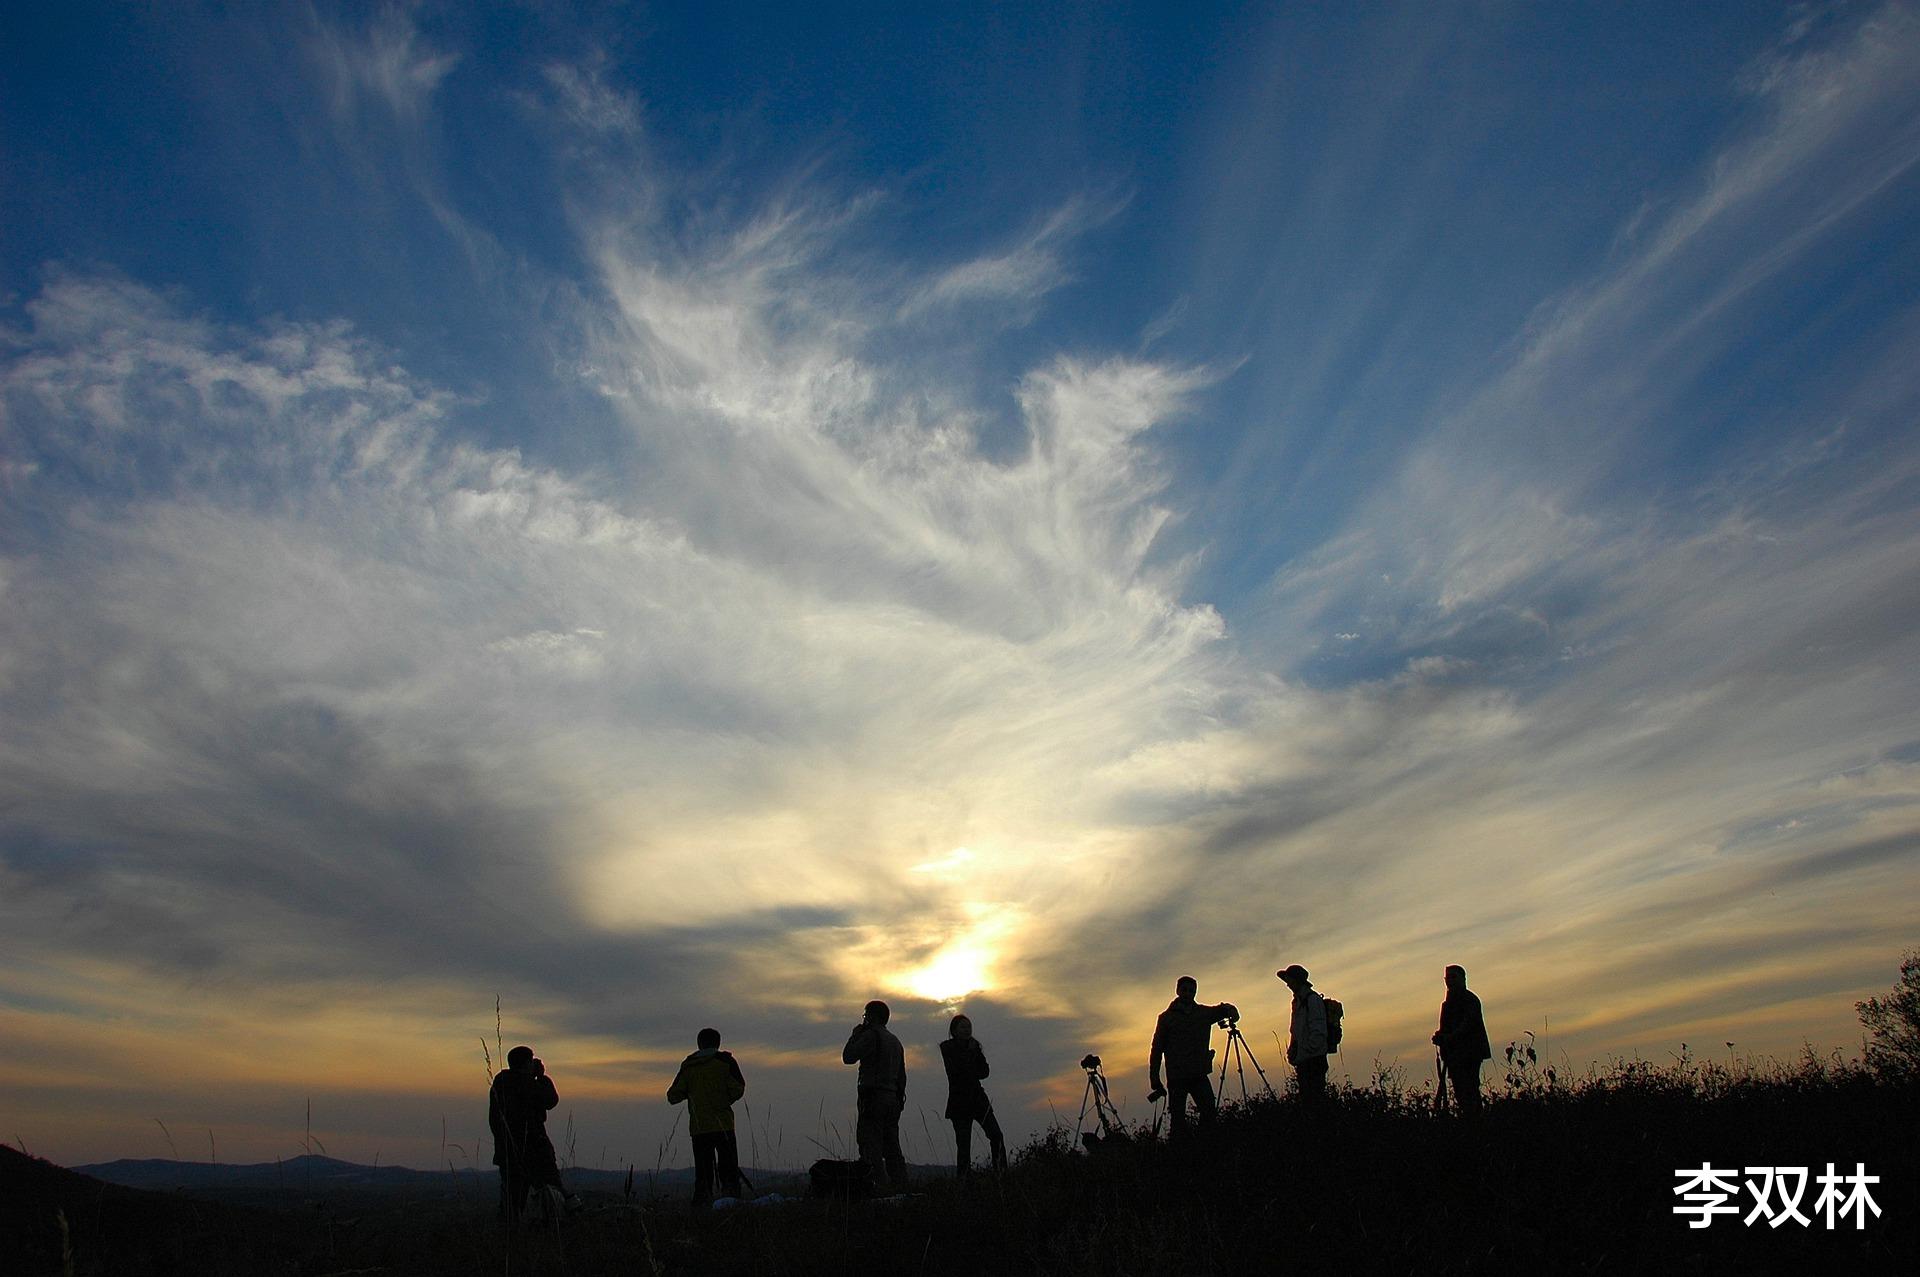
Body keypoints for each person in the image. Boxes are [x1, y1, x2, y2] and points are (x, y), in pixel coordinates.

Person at [1147, 976, 1238, 1138]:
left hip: (1199, 1074)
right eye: (1185, 990)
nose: (1188, 994)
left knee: (1209, 1112)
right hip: (1177, 1077)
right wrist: (1154, 1078)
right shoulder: (1166, 1018)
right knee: (1178, 1120)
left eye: (1192, 991)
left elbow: (1221, 1009)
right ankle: (1181, 1149)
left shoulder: (1203, 1013)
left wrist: (1231, 1010)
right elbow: (1157, 1049)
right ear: (1178, 991)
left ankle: (1203, 1144)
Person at [488, 1045, 568, 1222]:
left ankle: (510, 1231)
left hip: (508, 1152)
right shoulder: (526, 1084)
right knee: (555, 1191)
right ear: (525, 1064)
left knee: (512, 1202)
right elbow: (550, 1100)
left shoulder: (500, 1084)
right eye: (531, 1061)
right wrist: (541, 1076)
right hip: (535, 1151)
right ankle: (558, 1225)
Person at [667, 1027, 747, 1203]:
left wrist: (693, 1094)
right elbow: (738, 1089)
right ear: (718, 1043)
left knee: (703, 1175)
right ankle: (731, 1205)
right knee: (729, 1172)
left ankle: (702, 1208)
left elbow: (673, 1096)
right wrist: (723, 1100)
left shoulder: (689, 1065)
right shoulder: (726, 1062)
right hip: (724, 1125)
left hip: (699, 1128)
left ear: (699, 1044)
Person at [842, 999, 908, 1188]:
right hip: (892, 1099)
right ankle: (902, 1187)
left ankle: (878, 1188)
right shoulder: (895, 1041)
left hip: (872, 1098)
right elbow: (902, 1076)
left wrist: (855, 1035)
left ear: (872, 1017)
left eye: (865, 1015)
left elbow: (848, 1057)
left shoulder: (871, 1036)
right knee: (892, 1146)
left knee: (870, 1145)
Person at [940, 1014, 1007, 1176]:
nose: (967, 1030)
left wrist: (973, 1055)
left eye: (969, 1026)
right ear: (954, 1030)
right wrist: (971, 1058)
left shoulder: (975, 1046)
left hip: (978, 1099)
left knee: (996, 1135)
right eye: (963, 1027)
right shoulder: (948, 1048)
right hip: (959, 1101)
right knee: (964, 1146)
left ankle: (1001, 1173)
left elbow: (984, 1071)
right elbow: (958, 1071)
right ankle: (964, 1180)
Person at [1432, 964, 1492, 1118]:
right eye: (1447, 978)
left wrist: (1449, 1038)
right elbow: (1447, 1028)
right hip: (1454, 1055)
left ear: (1463, 979)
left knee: (1469, 1090)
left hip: (1469, 1053)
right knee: (1460, 1091)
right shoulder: (1447, 1004)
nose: (1450, 981)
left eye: (1453, 977)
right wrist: (1440, 1036)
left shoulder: (1470, 1000)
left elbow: (1467, 1025)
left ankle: (1476, 1120)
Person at [1278, 965, 1330, 1105]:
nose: (1287, 984)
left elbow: (1318, 1032)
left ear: (1297, 981)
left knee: (1315, 1101)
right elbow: (1295, 1031)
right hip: (1304, 1060)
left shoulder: (1312, 1000)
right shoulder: (1298, 1001)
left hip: (1314, 1061)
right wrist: (1294, 1050)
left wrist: (1306, 1051)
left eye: (1289, 980)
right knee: (1307, 1101)